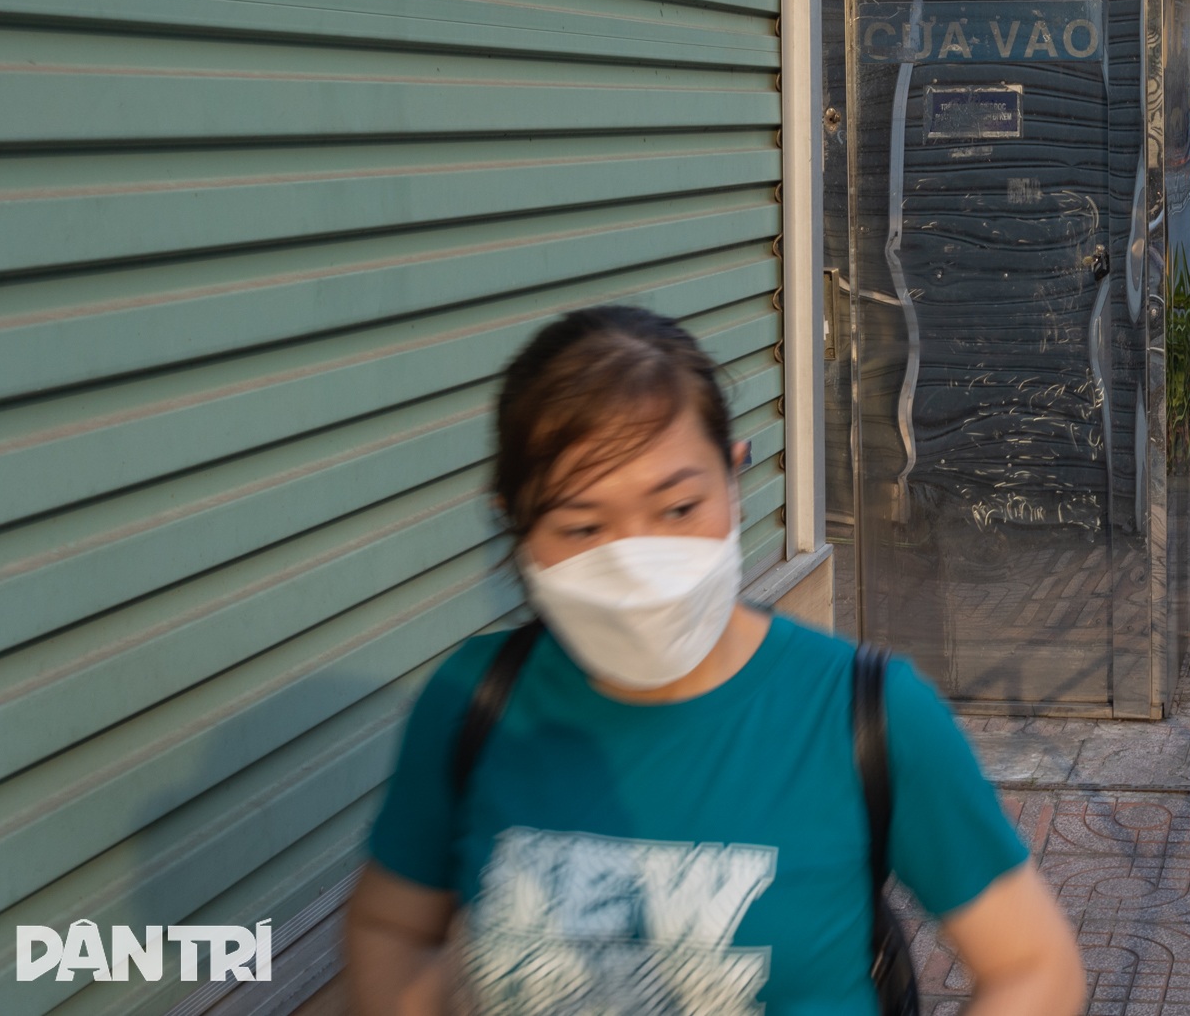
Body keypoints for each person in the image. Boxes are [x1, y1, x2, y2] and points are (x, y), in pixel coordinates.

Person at [344, 307, 1085, 1016]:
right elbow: (392, 927)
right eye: (582, 524)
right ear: (516, 522)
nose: (633, 565)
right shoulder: (475, 701)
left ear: (733, 480)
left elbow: (1033, 966)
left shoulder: (868, 712)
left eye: (676, 509)